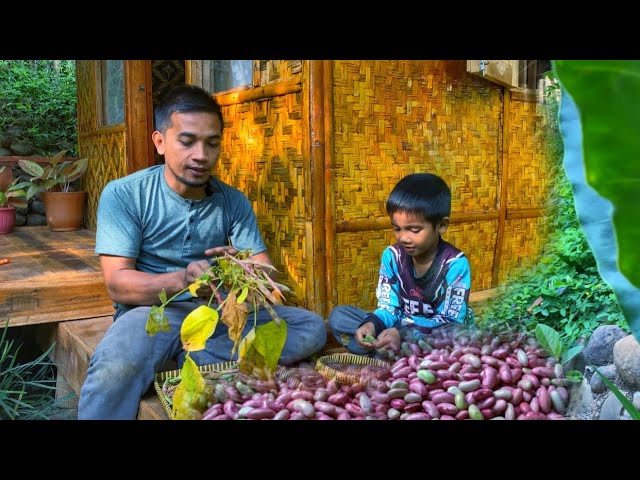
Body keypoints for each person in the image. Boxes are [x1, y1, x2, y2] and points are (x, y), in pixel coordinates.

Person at [78, 84, 327, 420]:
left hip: (219, 313)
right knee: (113, 369)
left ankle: (198, 354)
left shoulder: (232, 201)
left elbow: (265, 273)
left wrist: (241, 268)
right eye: (187, 141)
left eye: (212, 143)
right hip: (151, 313)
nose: (201, 154)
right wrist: (183, 279)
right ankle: (203, 357)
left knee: (311, 328)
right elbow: (118, 284)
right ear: (160, 142)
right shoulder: (125, 194)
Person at [328, 173, 471, 356]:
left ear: (441, 225)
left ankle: (393, 354)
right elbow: (389, 307)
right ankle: (390, 352)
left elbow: (451, 321)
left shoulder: (455, 264)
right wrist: (372, 325)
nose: (403, 238)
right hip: (399, 326)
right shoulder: (392, 256)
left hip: (434, 336)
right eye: (397, 228)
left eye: (414, 230)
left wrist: (405, 335)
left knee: (458, 338)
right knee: (339, 317)